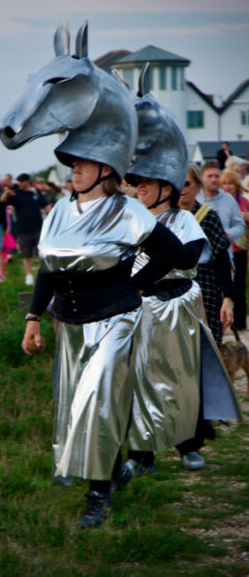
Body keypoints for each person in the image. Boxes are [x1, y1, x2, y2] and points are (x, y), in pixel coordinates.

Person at [22, 153, 187, 528]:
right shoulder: (60, 211)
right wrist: (33, 318)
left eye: (83, 163)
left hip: (116, 318)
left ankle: (98, 498)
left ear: (105, 169)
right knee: (78, 404)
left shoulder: (127, 208)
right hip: (71, 321)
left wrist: (138, 283)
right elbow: (48, 269)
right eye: (73, 164)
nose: (75, 169)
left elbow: (172, 251)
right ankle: (116, 470)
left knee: (97, 402)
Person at [124, 105, 241, 475]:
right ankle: (141, 453)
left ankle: (188, 445)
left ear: (166, 188)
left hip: (178, 305)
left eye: (147, 182)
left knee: (181, 378)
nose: (139, 187)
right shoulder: (128, 222)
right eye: (137, 182)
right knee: (138, 379)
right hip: (138, 307)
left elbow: (189, 257)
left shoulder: (184, 219)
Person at [179, 165, 233, 346]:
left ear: (197, 186)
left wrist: (227, 299)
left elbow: (222, 260)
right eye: (177, 183)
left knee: (206, 349)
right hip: (173, 295)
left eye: (186, 184)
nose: (182, 189)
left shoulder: (208, 217)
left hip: (205, 294)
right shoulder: (164, 216)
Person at [0, 173, 50, 285]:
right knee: (26, 254)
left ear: (27, 181)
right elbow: (2, 201)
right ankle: (29, 275)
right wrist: (6, 192)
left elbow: (46, 205)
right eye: (18, 182)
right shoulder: (16, 194)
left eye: (21, 181)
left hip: (38, 228)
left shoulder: (35, 192)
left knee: (42, 253)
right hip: (23, 230)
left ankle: (45, 274)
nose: (19, 184)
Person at [220, 170, 249, 330]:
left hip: (240, 249)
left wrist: (246, 217)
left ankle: (239, 323)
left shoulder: (243, 201)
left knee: (239, 287)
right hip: (226, 250)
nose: (227, 186)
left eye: (230, 183)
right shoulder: (222, 203)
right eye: (224, 184)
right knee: (227, 288)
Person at [196, 160, 244, 255]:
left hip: (224, 256)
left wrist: (227, 234)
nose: (214, 179)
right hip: (199, 258)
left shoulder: (229, 199)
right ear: (202, 178)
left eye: (217, 176)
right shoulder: (195, 198)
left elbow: (239, 225)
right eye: (209, 176)